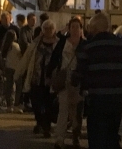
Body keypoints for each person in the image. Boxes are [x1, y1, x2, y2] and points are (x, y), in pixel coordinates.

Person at [75, 12, 122, 149]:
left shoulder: (88, 47)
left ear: (93, 28)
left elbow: (79, 75)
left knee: (97, 137)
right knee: (112, 135)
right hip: (118, 99)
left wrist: (77, 95)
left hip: (96, 99)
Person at [50, 18, 84, 149]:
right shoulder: (63, 42)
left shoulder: (84, 44)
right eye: (73, 27)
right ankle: (60, 138)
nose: (75, 30)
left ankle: (76, 136)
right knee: (63, 108)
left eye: (77, 27)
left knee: (77, 111)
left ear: (81, 29)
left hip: (78, 79)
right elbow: (54, 58)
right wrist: (50, 75)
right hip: (65, 78)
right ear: (69, 29)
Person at [23, 19, 58, 137]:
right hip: (36, 78)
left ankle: (46, 126)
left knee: (49, 104)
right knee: (36, 103)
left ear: (55, 30)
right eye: (45, 28)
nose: (48, 31)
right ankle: (40, 122)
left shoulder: (58, 44)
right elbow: (27, 56)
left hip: (50, 80)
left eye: (50, 28)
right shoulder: (36, 43)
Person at [1, 29, 23, 112]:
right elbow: (20, 56)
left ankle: (9, 106)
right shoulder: (16, 46)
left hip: (8, 68)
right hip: (16, 68)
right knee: (18, 87)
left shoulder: (5, 46)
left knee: (8, 87)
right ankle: (16, 104)